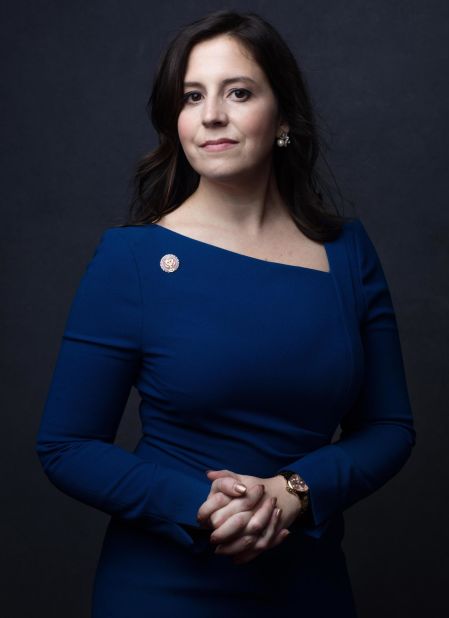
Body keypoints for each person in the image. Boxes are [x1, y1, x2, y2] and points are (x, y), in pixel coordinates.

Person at [35, 9, 416, 618]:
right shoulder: (131, 259)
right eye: (192, 96)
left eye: (238, 92)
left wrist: (293, 493)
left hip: (311, 587)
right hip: (164, 586)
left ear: (283, 116)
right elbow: (66, 444)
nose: (211, 113)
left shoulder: (347, 253)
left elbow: (390, 428)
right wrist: (203, 507)